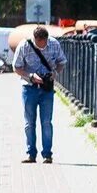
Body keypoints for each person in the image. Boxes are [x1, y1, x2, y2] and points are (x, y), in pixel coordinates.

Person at [14, 25, 67, 163]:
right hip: (29, 88)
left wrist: (55, 73)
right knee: (29, 123)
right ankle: (31, 154)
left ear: (47, 39)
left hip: (46, 89)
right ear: (35, 39)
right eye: (39, 45)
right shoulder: (25, 45)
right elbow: (16, 67)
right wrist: (31, 76)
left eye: (44, 44)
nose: (42, 47)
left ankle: (47, 155)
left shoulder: (54, 44)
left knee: (46, 122)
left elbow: (62, 62)